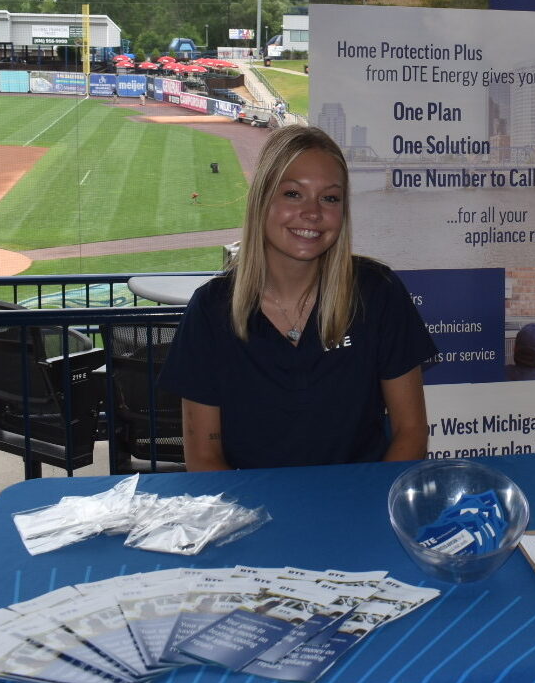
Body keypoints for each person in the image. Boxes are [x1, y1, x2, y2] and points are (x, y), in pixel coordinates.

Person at [160, 125, 435, 469]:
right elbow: (204, 456)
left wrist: (373, 510)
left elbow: (411, 431)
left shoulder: (377, 291)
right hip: (250, 512)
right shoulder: (211, 309)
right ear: (262, 199)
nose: (313, 212)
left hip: (358, 506)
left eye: (329, 198)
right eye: (293, 194)